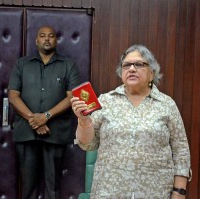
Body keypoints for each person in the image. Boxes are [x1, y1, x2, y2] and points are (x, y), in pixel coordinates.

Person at [71, 44, 191, 199]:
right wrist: (83, 120)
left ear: (152, 73)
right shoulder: (106, 101)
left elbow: (181, 151)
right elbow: (87, 143)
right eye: (126, 65)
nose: (132, 69)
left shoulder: (167, 105)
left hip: (155, 192)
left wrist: (179, 192)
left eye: (139, 64)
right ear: (121, 72)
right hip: (110, 191)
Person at [8, 25, 81, 199]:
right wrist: (34, 120)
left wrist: (46, 116)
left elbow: (72, 97)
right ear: (36, 40)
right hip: (26, 133)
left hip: (55, 134)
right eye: (42, 36)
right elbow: (13, 95)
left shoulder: (68, 64)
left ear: (56, 40)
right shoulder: (22, 64)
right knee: (28, 185)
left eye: (51, 36)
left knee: (53, 185)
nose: (47, 39)